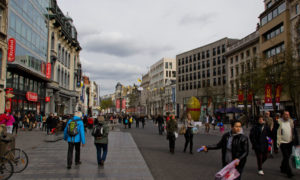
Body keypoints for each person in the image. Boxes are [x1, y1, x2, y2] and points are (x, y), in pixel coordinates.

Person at [277, 111, 299, 178]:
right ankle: (289, 172)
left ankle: (282, 167)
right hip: (282, 142)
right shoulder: (279, 122)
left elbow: (295, 132)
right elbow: (276, 132)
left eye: (288, 114)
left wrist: (297, 143)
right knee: (286, 157)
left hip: (290, 142)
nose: (287, 115)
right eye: (285, 114)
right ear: (282, 115)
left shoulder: (291, 122)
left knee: (287, 156)